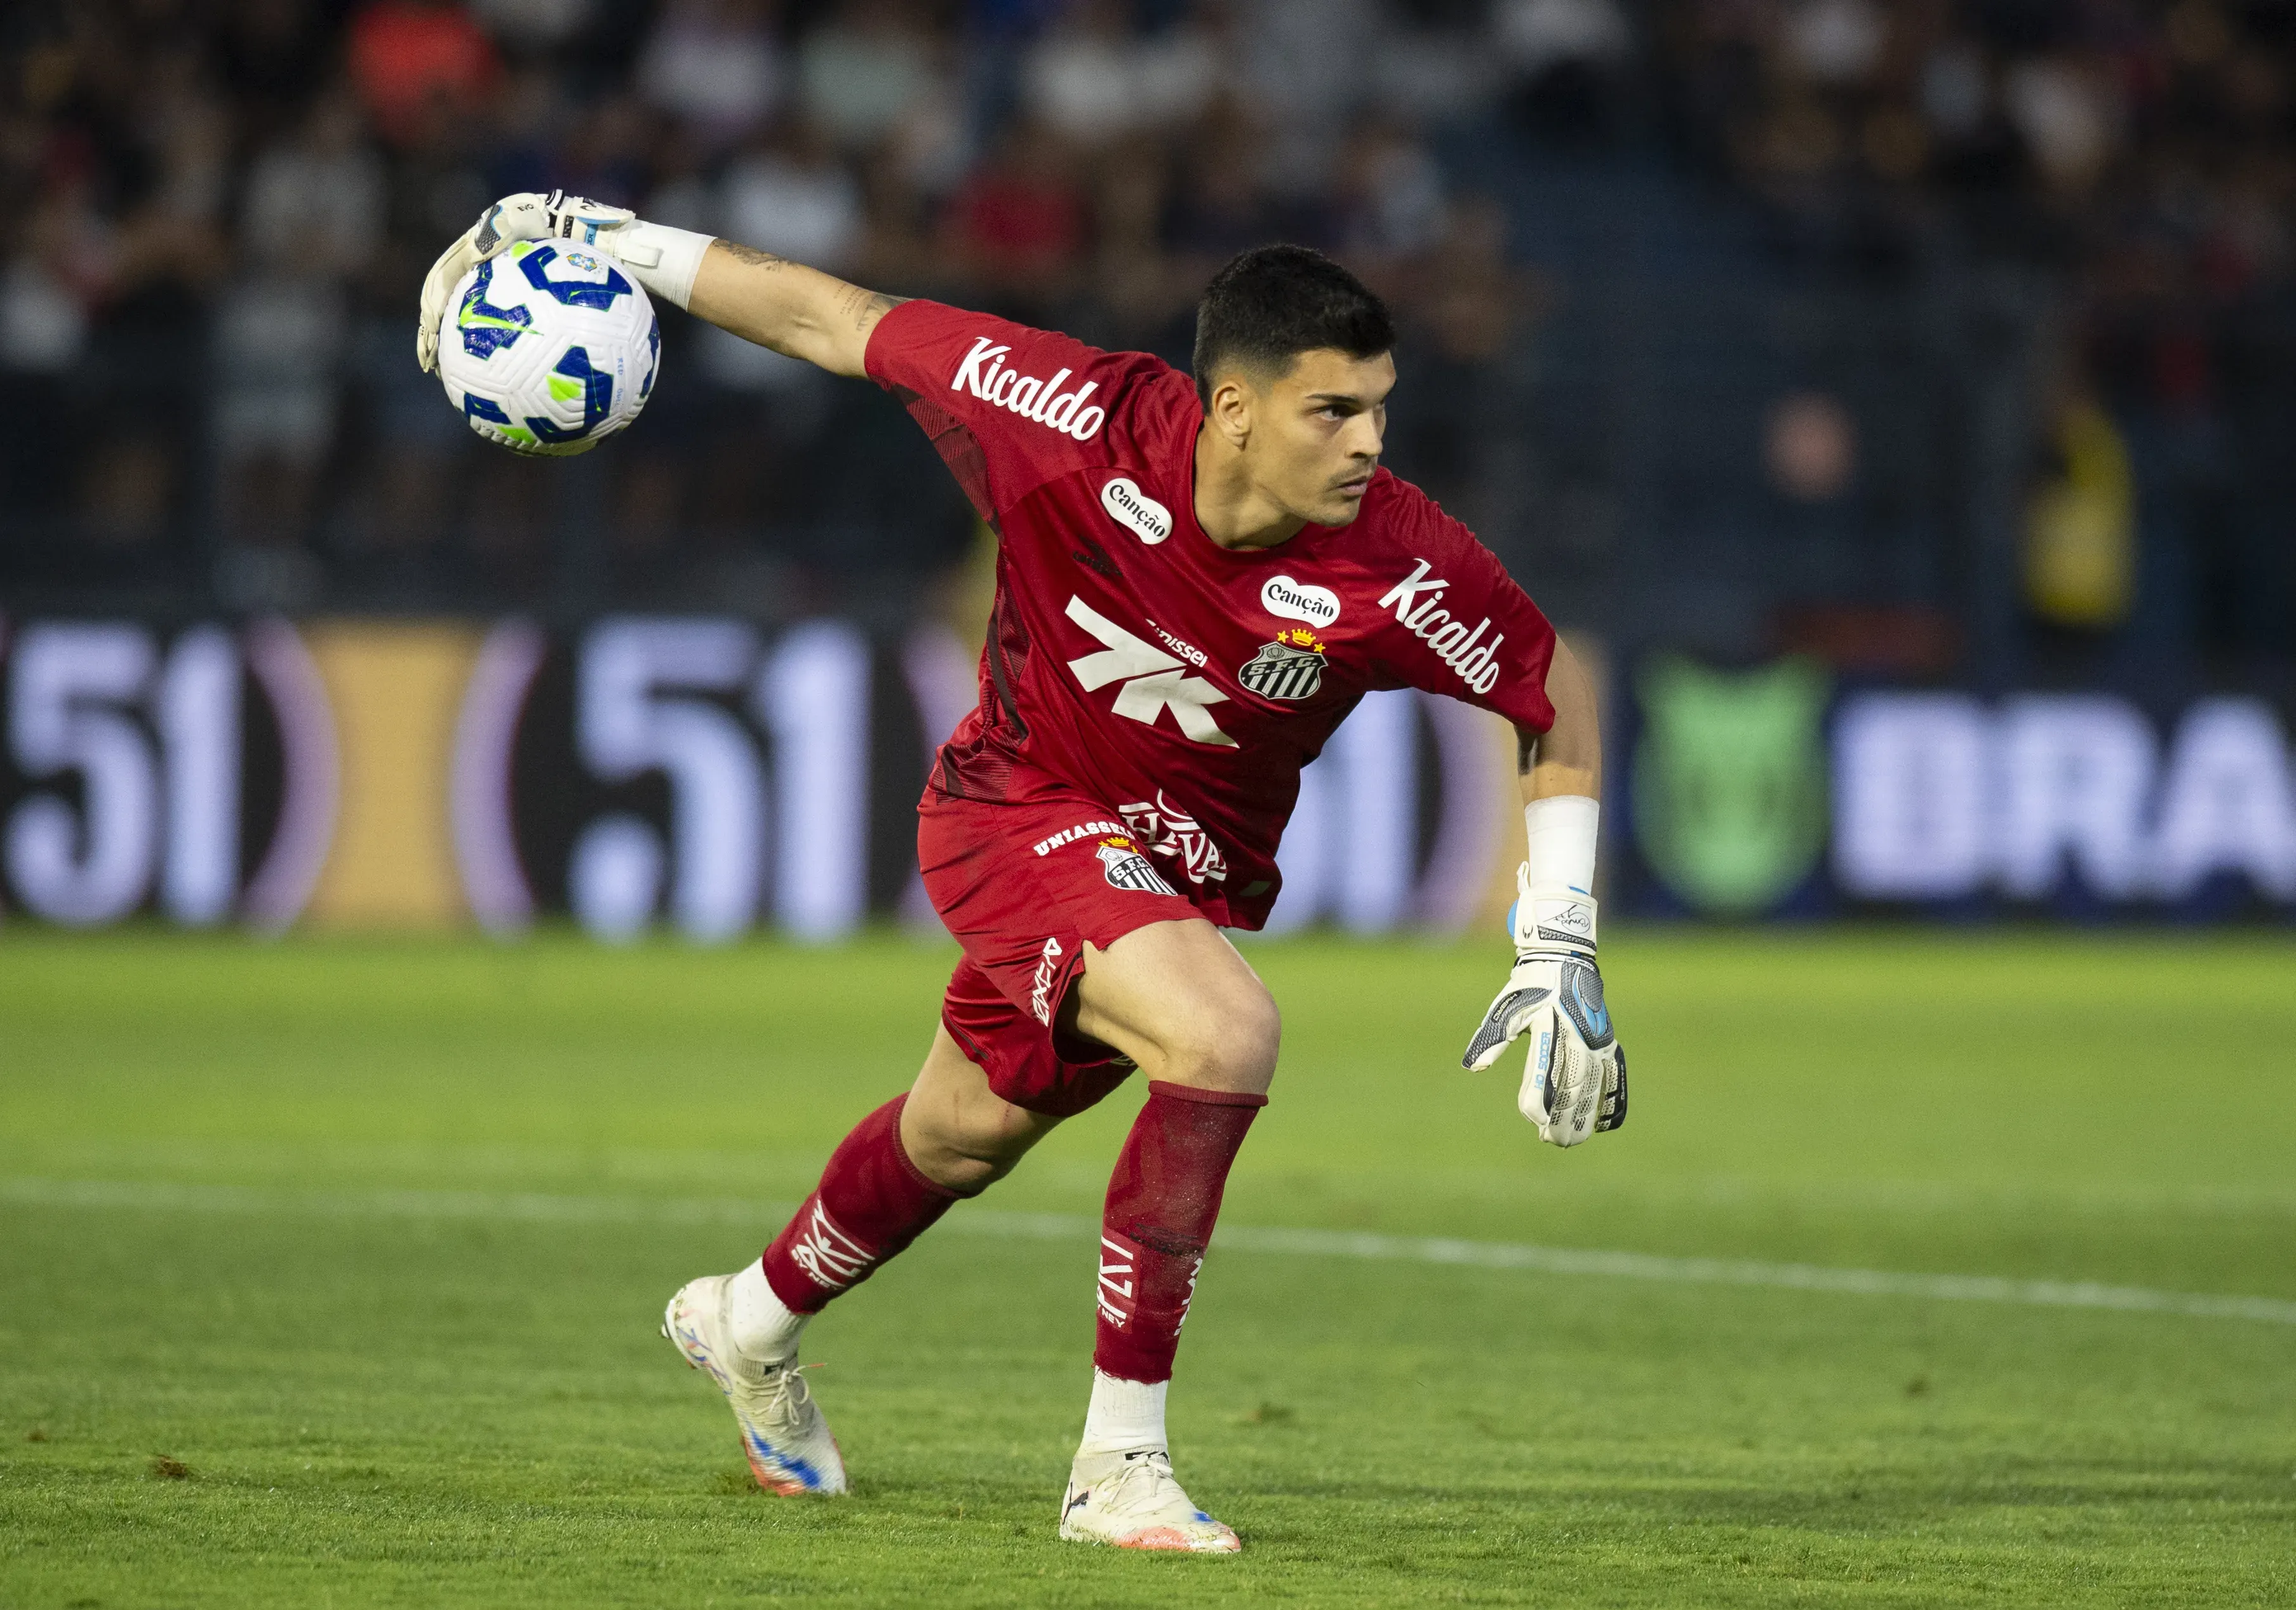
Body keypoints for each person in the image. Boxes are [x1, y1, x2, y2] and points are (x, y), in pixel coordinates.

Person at [415, 192, 1627, 1553]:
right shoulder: (1064, 414)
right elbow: (837, 318)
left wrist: (1557, 935)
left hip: (1168, 877)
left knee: (958, 1137)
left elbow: (1549, 697)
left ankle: (744, 1321)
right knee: (1223, 1031)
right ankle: (1118, 1466)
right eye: (1331, 412)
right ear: (1230, 408)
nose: (1368, 444)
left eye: (1377, 409)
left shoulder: (1397, 560)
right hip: (1010, 807)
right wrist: (627, 246)